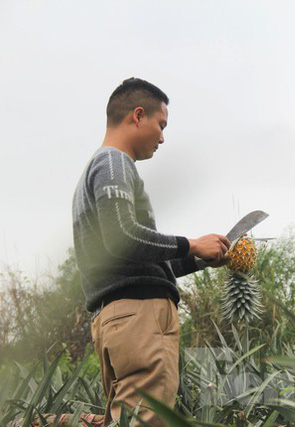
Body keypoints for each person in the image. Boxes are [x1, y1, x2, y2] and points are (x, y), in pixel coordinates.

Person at [72, 77, 230, 425]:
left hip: (118, 318)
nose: (162, 137)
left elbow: (131, 255)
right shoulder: (114, 163)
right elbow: (122, 237)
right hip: (139, 317)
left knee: (125, 419)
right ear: (138, 116)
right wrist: (192, 242)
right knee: (148, 420)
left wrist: (199, 257)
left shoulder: (102, 167)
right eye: (161, 125)